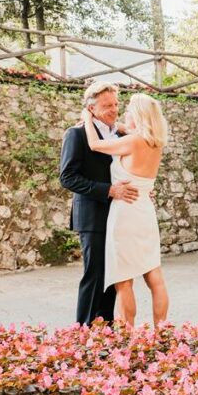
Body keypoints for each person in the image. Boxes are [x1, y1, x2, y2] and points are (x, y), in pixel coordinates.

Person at [80, 93, 169, 327]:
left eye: (128, 109)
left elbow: (94, 144)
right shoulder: (155, 142)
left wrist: (87, 119)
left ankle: (129, 334)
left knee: (124, 280)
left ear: (138, 115)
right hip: (145, 212)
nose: (124, 113)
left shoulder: (131, 141)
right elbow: (122, 128)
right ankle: (162, 330)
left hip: (126, 213)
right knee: (155, 278)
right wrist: (112, 121)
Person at [59, 81, 138, 326]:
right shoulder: (77, 134)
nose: (114, 110)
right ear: (91, 109)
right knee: (94, 275)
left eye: (115, 104)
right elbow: (68, 177)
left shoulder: (123, 135)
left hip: (120, 213)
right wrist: (109, 190)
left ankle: (106, 328)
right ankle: (83, 331)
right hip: (92, 215)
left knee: (115, 275)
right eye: (107, 106)